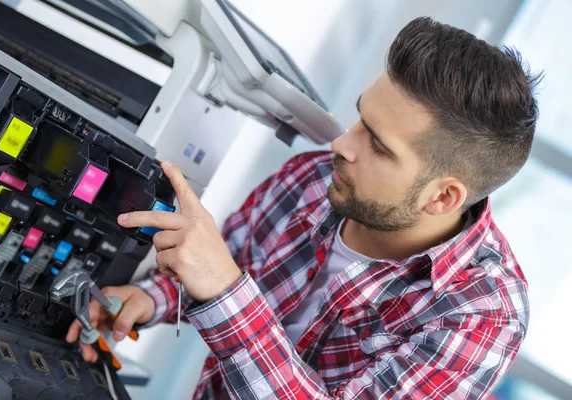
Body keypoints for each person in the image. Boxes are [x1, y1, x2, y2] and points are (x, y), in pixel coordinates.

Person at [67, 17, 540, 399]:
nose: (341, 145)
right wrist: (154, 299)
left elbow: (222, 280)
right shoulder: (316, 178)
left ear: (443, 197)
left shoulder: (484, 314)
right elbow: (227, 259)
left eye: (377, 145)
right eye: (360, 119)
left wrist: (224, 291)